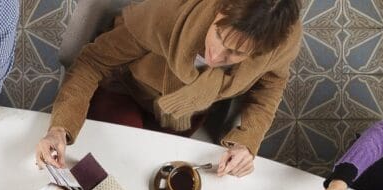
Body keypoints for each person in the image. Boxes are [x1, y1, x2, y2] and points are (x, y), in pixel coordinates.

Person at [33, 0, 301, 178]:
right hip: (127, 91)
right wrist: (59, 128)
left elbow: (270, 87)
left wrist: (246, 143)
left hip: (189, 111)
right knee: (107, 169)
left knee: (160, 177)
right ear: (220, 9)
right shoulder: (167, 12)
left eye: (235, 53)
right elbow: (92, 63)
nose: (216, 57)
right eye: (219, 36)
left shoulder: (280, 45)